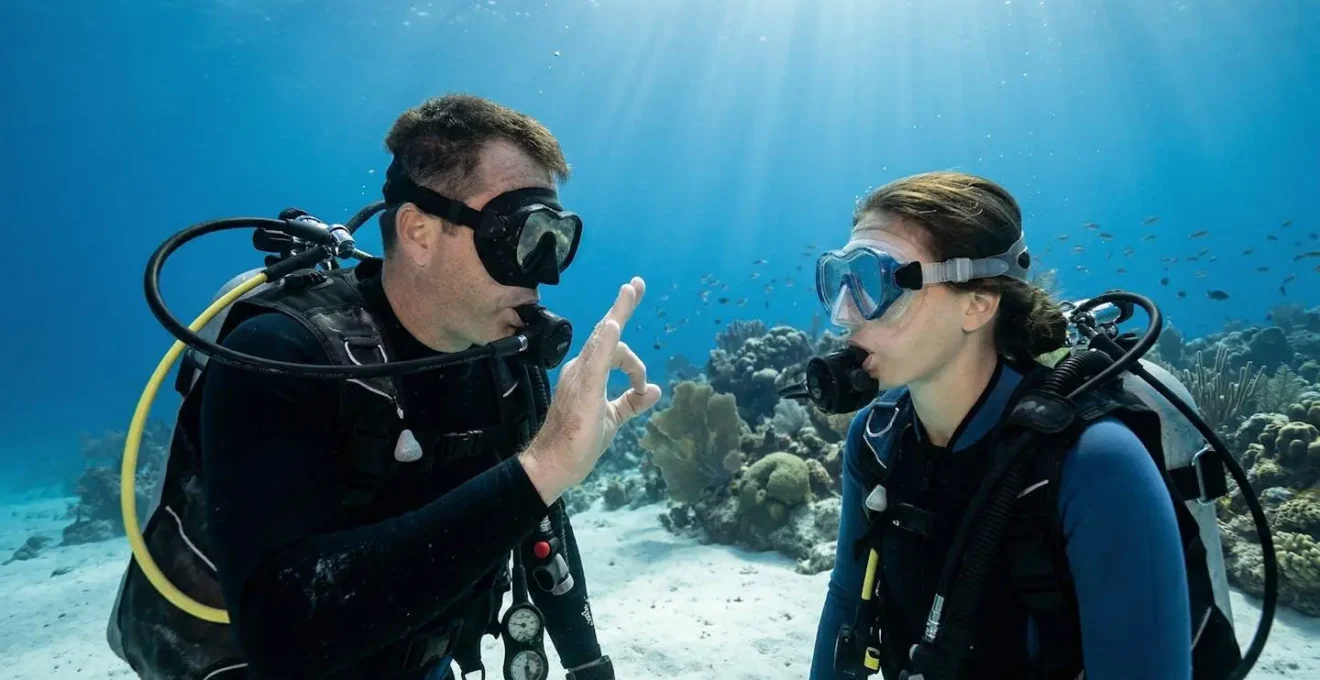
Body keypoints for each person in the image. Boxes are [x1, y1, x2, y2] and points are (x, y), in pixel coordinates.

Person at [106, 94, 661, 680]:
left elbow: (540, 529)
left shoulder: (505, 364)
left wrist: (587, 665)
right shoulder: (279, 355)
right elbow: (280, 633)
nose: (543, 271)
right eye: (521, 234)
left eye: (557, 240)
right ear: (419, 232)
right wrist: (545, 467)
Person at [807, 171, 1234, 680]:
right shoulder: (877, 439)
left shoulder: (1096, 464)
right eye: (839, 280)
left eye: (875, 281)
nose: (844, 314)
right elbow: (844, 598)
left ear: (979, 303)